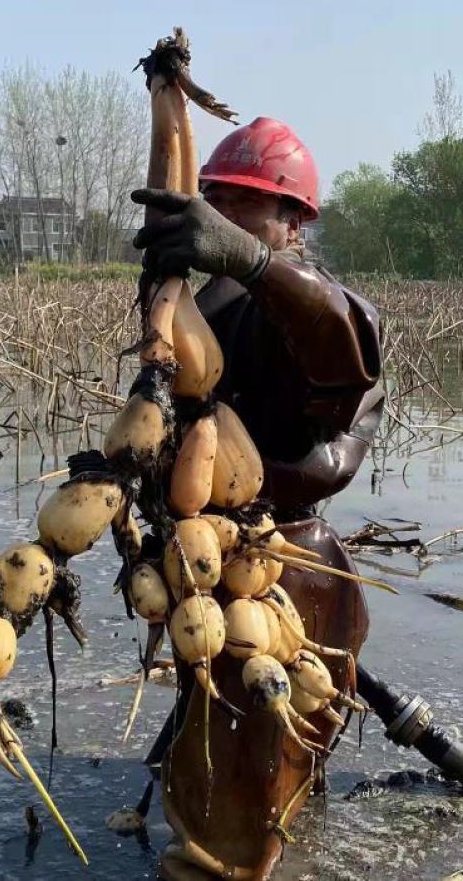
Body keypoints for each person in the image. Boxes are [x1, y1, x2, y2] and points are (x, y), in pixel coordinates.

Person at [131, 117, 383, 881]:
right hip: (203, 556)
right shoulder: (204, 309)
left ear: (295, 221)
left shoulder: (331, 311)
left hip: (289, 564)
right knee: (216, 737)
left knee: (276, 737)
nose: (224, 217)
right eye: (215, 201)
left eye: (247, 205)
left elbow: (341, 367)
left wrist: (250, 259)